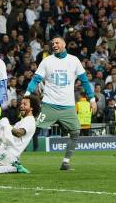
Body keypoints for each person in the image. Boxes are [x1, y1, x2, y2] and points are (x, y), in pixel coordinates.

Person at [24, 36, 96, 170]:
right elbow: (36, 79)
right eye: (52, 43)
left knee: (75, 132)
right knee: (32, 128)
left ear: (64, 44)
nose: (54, 45)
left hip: (68, 106)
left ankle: (65, 162)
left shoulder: (74, 61)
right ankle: (15, 157)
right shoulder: (46, 61)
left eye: (57, 42)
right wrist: (27, 94)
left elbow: (85, 81)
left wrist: (92, 99)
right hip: (49, 104)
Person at [0, 95, 39, 174]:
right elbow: (11, 136)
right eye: (21, 104)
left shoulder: (30, 120)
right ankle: (13, 166)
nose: (21, 106)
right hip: (4, 149)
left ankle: (14, 168)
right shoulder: (22, 121)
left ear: (32, 108)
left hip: (9, 153)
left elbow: (19, 133)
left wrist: (7, 126)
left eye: (25, 104)